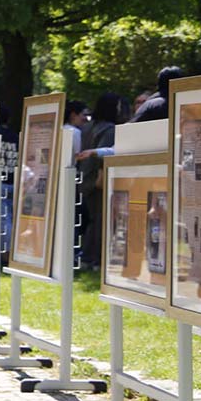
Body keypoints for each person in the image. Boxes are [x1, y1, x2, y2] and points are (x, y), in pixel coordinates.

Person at [76, 92, 121, 269]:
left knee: (91, 220)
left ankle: (87, 257)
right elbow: (104, 157)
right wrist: (101, 178)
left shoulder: (87, 128)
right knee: (101, 221)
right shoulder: (109, 129)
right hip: (97, 180)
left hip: (84, 178)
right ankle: (94, 259)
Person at [0, 105, 20, 262]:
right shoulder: (15, 136)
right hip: (13, 180)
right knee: (11, 218)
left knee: (4, 220)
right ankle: (13, 252)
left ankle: (6, 254)